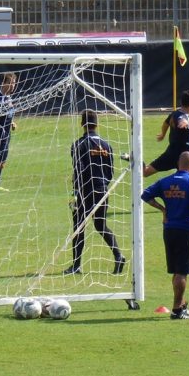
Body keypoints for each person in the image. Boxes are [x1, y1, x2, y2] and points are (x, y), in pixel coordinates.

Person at [141, 151, 189, 320]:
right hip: (185, 230)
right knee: (182, 271)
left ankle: (181, 303)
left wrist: (163, 209)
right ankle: (177, 309)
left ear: (178, 165)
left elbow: (145, 195)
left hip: (169, 230)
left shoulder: (165, 181)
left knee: (177, 270)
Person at [65, 110, 125, 275]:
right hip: (103, 190)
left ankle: (76, 265)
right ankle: (118, 255)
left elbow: (79, 169)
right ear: (96, 124)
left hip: (86, 191)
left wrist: (76, 192)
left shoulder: (79, 144)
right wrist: (103, 184)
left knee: (79, 227)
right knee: (101, 225)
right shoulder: (107, 145)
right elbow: (110, 170)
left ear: (82, 124)